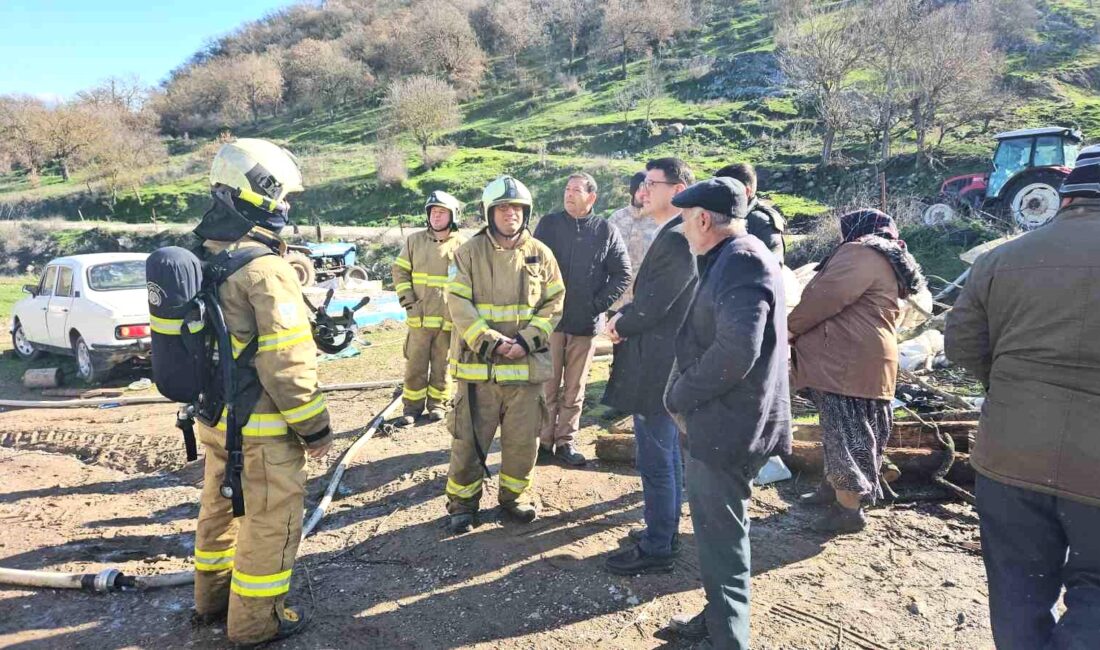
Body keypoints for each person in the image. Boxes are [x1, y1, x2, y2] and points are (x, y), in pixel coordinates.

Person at [945, 145, 1100, 650]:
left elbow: (962, 344)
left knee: (1018, 591)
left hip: (1009, 454)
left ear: (1067, 193)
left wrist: (1010, 386)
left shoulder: (1001, 257)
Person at [190, 139, 332, 645]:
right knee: (269, 521)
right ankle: (256, 623)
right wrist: (315, 428)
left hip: (215, 418)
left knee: (219, 507)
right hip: (262, 426)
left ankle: (210, 602)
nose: (286, 208)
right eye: (283, 197)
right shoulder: (264, 269)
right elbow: (288, 363)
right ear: (263, 194)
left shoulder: (201, 251)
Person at [662, 178, 792, 649]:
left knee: (723, 537)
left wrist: (679, 395)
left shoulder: (740, 260)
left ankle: (728, 638)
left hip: (726, 425)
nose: (682, 227)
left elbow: (737, 351)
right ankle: (718, 616)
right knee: (718, 534)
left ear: (702, 219)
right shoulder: (738, 254)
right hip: (728, 420)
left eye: (684, 218)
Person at [787, 210, 925, 533]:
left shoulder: (861, 254)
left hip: (846, 361)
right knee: (856, 431)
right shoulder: (892, 261)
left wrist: (788, 329)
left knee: (845, 432)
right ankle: (833, 490)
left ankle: (848, 509)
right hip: (869, 360)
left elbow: (823, 299)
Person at [443, 175, 565, 535]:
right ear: (489, 212)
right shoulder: (467, 253)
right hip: (478, 369)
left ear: (525, 212)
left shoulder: (541, 254)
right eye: (502, 208)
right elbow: (458, 304)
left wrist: (526, 341)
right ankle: (462, 504)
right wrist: (491, 341)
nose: (510, 213)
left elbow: (554, 303)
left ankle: (515, 498)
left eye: (516, 208)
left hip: (525, 369)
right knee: (468, 440)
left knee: (522, 442)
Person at [602, 157, 697, 574]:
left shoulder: (678, 237)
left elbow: (659, 304)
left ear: (676, 190)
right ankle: (663, 529)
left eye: (651, 183)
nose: (643, 191)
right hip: (660, 357)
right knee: (664, 453)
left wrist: (623, 321)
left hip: (660, 362)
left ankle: (659, 545)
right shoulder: (677, 231)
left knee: (657, 457)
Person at [533, 172, 631, 466]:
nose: (569, 194)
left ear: (592, 197)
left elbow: (621, 273)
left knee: (575, 389)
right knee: (547, 385)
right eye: (566, 189)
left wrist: (596, 306)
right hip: (551, 321)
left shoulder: (605, 230)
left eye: (576, 190)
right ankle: (543, 442)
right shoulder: (549, 225)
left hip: (585, 325)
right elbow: (531, 264)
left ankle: (566, 442)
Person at [392, 190, 468, 426]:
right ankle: (411, 407)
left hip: (447, 320)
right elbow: (400, 271)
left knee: (442, 364)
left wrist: (460, 312)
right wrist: (408, 301)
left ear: (452, 216)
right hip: (420, 319)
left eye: (441, 212)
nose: (436, 216)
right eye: (433, 212)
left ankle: (437, 405)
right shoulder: (414, 241)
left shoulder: (463, 245)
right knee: (415, 364)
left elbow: (469, 280)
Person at [714, 162, 786, 264]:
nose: (717, 196)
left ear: (745, 192)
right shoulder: (720, 215)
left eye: (724, 190)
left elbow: (771, 269)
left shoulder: (761, 223)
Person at [608, 171, 661, 275]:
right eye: (641, 188)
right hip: (618, 287)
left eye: (649, 189)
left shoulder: (658, 220)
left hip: (648, 286)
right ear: (633, 190)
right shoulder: (616, 219)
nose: (645, 193)